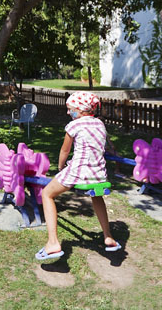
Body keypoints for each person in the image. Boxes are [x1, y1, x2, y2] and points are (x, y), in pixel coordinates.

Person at [36, 91, 120, 261]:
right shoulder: (99, 124)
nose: (68, 112)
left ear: (81, 110)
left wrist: (60, 168)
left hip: (79, 172)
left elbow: (64, 150)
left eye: (71, 109)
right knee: (97, 196)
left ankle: (52, 243)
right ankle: (108, 236)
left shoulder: (74, 125)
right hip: (99, 174)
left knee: (47, 193)